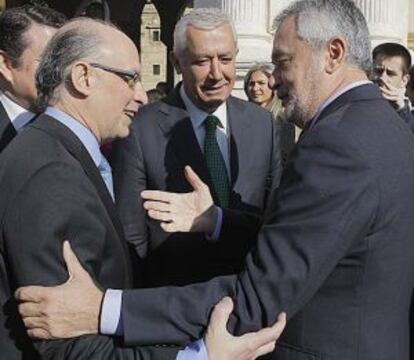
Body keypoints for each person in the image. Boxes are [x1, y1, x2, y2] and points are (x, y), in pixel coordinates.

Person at [16, 0, 414, 359]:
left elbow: (257, 298)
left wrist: (102, 310)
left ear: (334, 53)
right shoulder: (384, 127)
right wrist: (217, 219)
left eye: (283, 61)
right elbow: (308, 237)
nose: (273, 78)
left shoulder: (335, 143)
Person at [0, 17, 286, 359]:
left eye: (226, 59)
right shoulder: (50, 172)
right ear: (83, 77)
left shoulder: (52, 153)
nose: (140, 94)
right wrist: (199, 356)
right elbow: (67, 343)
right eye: (130, 78)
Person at [111, 8, 282, 287]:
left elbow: (274, 217)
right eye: (202, 61)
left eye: (225, 59)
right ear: (177, 62)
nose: (217, 74)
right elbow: (131, 237)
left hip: (251, 298)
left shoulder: (263, 124)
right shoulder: (140, 129)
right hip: (173, 305)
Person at [0, 4, 65, 152]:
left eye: (65, 61)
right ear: (5, 64)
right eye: (48, 61)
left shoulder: (72, 125)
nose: (60, 72)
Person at [244, 62, 295, 165]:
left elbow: (284, 159)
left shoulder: (283, 122)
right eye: (251, 83)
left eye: (261, 83)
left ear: (273, 86)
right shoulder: (241, 118)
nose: (255, 88)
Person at [372, 42, 414, 130]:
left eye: (390, 73)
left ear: (404, 80)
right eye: (378, 71)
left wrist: (401, 109)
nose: (382, 78)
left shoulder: (407, 116)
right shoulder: (357, 102)